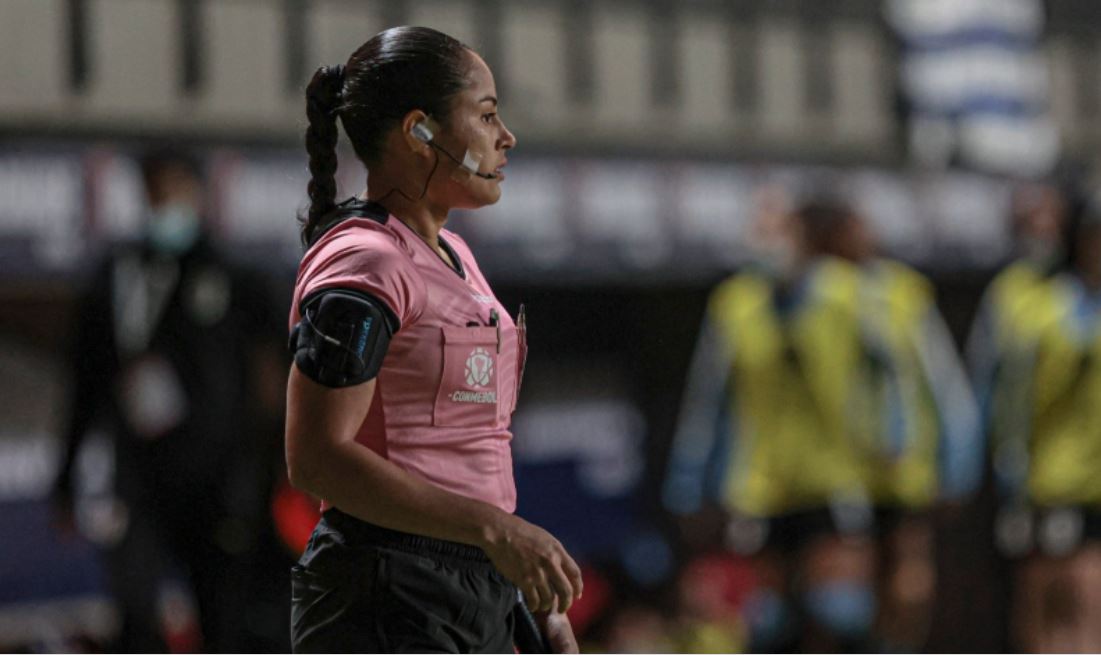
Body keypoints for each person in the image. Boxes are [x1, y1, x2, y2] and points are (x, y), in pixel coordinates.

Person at [283, 26, 581, 653]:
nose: (506, 137)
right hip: (386, 588)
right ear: (418, 131)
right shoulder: (366, 263)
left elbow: (468, 456)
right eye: (487, 115)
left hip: (465, 581)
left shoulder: (455, 254)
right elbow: (315, 458)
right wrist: (495, 532)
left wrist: (519, 587)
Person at [51, 148, 288, 652]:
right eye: (153, 192)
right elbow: (87, 381)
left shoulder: (234, 279)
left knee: (223, 619)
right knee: (136, 613)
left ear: (197, 194)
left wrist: (268, 472)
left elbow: (272, 382)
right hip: (139, 479)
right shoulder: (117, 276)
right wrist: (65, 480)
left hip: (218, 481)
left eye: (173, 191)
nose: (163, 204)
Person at [664, 197, 877, 652]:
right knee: (769, 623)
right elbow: (708, 397)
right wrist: (688, 480)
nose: (770, 243)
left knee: (838, 612)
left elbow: (888, 377)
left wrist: (891, 444)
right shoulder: (735, 305)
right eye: (760, 232)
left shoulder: (847, 294)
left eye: (779, 231)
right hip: (760, 485)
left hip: (832, 478)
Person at [806, 200, 981, 650]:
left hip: (899, 464)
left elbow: (942, 380)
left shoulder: (900, 292)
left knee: (906, 566)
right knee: (841, 583)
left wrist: (957, 461)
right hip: (835, 469)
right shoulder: (809, 295)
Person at [981, 193, 1101, 651]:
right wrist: (1009, 470)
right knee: (1044, 610)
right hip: (1052, 484)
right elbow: (1009, 399)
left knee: (1087, 605)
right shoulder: (1042, 310)